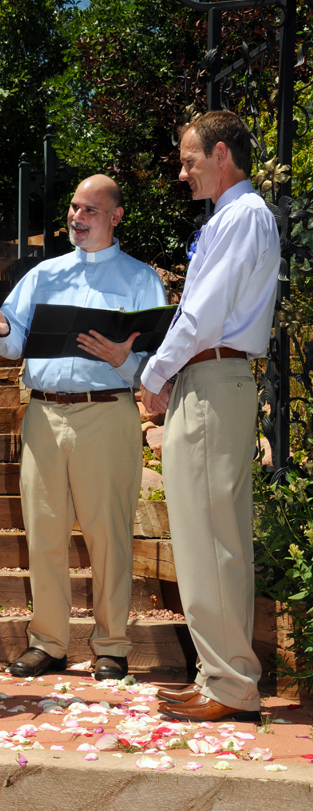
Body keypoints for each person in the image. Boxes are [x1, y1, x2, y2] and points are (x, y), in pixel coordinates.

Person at [0, 175, 166, 680]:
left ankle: (112, 646)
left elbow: (157, 362)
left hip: (107, 413)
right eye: (73, 207)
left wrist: (126, 361)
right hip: (43, 415)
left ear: (116, 217)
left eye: (89, 210)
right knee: (43, 533)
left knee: (108, 535)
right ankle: (48, 643)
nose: (76, 217)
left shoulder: (141, 279)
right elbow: (13, 340)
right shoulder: (44, 274)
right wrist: (2, 329)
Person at [140, 110, 281, 722]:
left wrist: (154, 373)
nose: (182, 172)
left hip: (212, 376)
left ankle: (230, 683)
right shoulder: (235, 216)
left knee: (210, 536)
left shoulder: (243, 215)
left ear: (222, 154)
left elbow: (202, 314)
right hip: (211, 377)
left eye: (189, 159)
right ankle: (220, 674)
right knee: (210, 535)